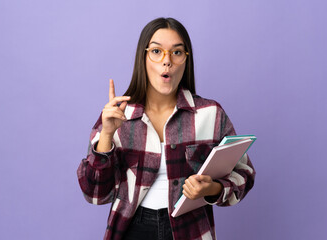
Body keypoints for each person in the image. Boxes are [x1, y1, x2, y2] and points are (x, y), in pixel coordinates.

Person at [77, 17, 255, 240]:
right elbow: (94, 194)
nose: (167, 61)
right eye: (156, 51)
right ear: (143, 58)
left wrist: (212, 189)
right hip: (133, 230)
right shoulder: (119, 116)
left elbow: (245, 174)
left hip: (191, 231)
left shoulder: (210, 114)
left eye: (177, 52)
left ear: (186, 60)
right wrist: (107, 135)